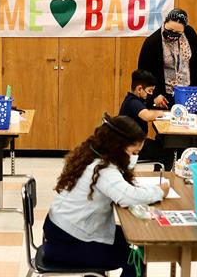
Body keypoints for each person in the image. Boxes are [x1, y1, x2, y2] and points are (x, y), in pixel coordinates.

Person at [42, 114, 169, 276]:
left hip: (60, 230)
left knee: (135, 241)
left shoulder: (91, 154)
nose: (134, 157)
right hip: (66, 242)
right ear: (119, 146)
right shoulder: (103, 168)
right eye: (133, 152)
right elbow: (127, 196)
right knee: (135, 256)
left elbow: (121, 189)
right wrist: (159, 191)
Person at [138, 8, 197, 108]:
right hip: (163, 97)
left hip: (187, 93)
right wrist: (154, 96)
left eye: (177, 32)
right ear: (165, 22)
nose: (172, 35)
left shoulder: (190, 34)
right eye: (170, 30)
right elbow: (143, 73)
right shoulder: (152, 42)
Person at [119, 69, 174, 170]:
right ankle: (162, 177)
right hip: (133, 144)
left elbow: (146, 107)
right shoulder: (133, 102)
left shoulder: (134, 99)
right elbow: (147, 116)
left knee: (162, 144)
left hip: (134, 141)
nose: (151, 94)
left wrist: (154, 104)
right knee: (167, 152)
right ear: (139, 89)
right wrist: (161, 113)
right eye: (149, 91)